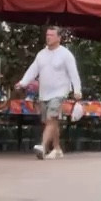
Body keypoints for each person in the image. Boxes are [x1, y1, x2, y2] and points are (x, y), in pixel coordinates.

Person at [16, 27, 82, 160]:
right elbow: (33, 70)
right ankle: (57, 149)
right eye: (47, 35)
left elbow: (73, 73)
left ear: (59, 38)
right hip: (44, 93)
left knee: (51, 118)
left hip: (59, 92)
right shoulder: (41, 54)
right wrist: (23, 82)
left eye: (51, 35)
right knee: (51, 121)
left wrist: (77, 90)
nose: (48, 37)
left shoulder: (65, 54)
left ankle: (43, 146)